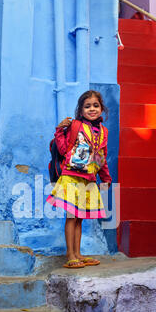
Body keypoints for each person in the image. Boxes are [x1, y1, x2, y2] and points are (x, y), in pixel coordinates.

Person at [46, 90, 112, 268]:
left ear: (101, 108)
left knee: (79, 217)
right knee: (71, 217)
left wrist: (105, 177)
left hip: (88, 180)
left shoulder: (103, 132)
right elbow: (62, 149)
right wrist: (60, 130)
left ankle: (78, 253)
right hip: (71, 176)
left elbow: (101, 157)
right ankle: (70, 254)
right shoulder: (75, 126)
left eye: (95, 105)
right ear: (81, 110)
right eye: (87, 106)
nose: (92, 109)